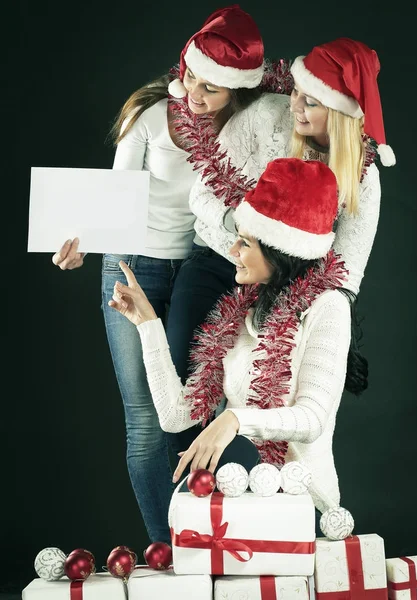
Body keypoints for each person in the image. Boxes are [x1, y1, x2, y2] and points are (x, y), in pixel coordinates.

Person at [51, 5, 266, 545]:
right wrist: (81, 247)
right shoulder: (150, 117)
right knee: (148, 422)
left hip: (204, 269)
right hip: (134, 267)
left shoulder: (246, 129)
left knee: (199, 411)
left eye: (213, 89)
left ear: (236, 93)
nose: (196, 93)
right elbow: (115, 200)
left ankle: (222, 539)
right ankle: (166, 554)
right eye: (193, 76)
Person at [108, 157, 368, 521]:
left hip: (301, 503)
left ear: (279, 251)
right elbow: (175, 416)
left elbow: (312, 418)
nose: (232, 252)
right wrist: (147, 324)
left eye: (244, 242)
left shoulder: (328, 306)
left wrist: (232, 421)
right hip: (240, 499)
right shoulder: (240, 310)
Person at [167, 38, 395, 385]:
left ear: (340, 113)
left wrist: (317, 326)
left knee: (251, 409)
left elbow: (346, 269)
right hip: (214, 262)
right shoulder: (266, 114)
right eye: (296, 93)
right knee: (182, 385)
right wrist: (242, 227)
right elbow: (202, 193)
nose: (295, 106)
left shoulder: (362, 178)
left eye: (312, 102)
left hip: (282, 293)